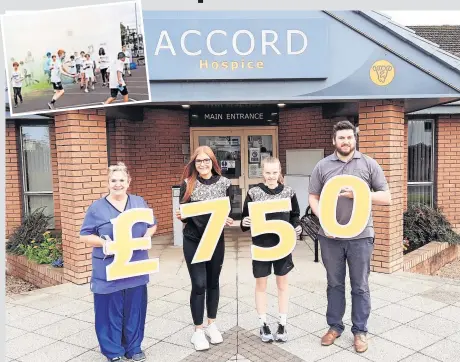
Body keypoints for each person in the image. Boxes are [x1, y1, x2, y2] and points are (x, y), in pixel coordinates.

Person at [308, 120, 391, 353]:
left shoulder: (368, 164)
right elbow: (313, 196)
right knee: (334, 284)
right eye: (341, 138)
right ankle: (334, 326)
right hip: (330, 236)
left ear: (355, 139)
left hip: (361, 236)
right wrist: (323, 217)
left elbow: (386, 197)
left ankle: (360, 331)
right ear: (334, 141)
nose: (346, 141)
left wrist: (360, 194)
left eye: (350, 137)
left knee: (360, 286)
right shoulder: (322, 166)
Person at [80, 162, 157, 362]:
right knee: (109, 311)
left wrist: (146, 237)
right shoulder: (96, 208)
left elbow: (152, 225)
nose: (117, 184)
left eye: (121, 180)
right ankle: (113, 351)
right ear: (107, 183)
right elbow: (85, 235)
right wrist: (103, 243)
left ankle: (134, 347)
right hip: (109, 268)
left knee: (135, 309)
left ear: (128, 182)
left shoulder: (139, 202)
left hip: (135, 266)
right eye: (113, 180)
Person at [175, 146, 233, 351]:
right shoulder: (187, 184)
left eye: (206, 160)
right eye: (198, 161)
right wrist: (182, 215)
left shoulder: (225, 183)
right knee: (199, 284)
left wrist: (227, 218)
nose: (202, 164)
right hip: (193, 239)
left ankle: (211, 324)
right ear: (194, 164)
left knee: (213, 282)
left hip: (215, 239)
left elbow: (228, 210)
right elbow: (184, 212)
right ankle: (198, 330)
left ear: (213, 162)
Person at [240, 157, 302, 343]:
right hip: (262, 246)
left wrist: (297, 226)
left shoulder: (289, 192)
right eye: (267, 172)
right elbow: (244, 219)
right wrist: (244, 222)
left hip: (282, 246)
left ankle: (282, 323)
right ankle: (263, 323)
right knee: (261, 285)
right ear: (262, 173)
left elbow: (295, 216)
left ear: (280, 172)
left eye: (275, 172)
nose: (271, 176)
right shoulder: (254, 192)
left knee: (282, 285)